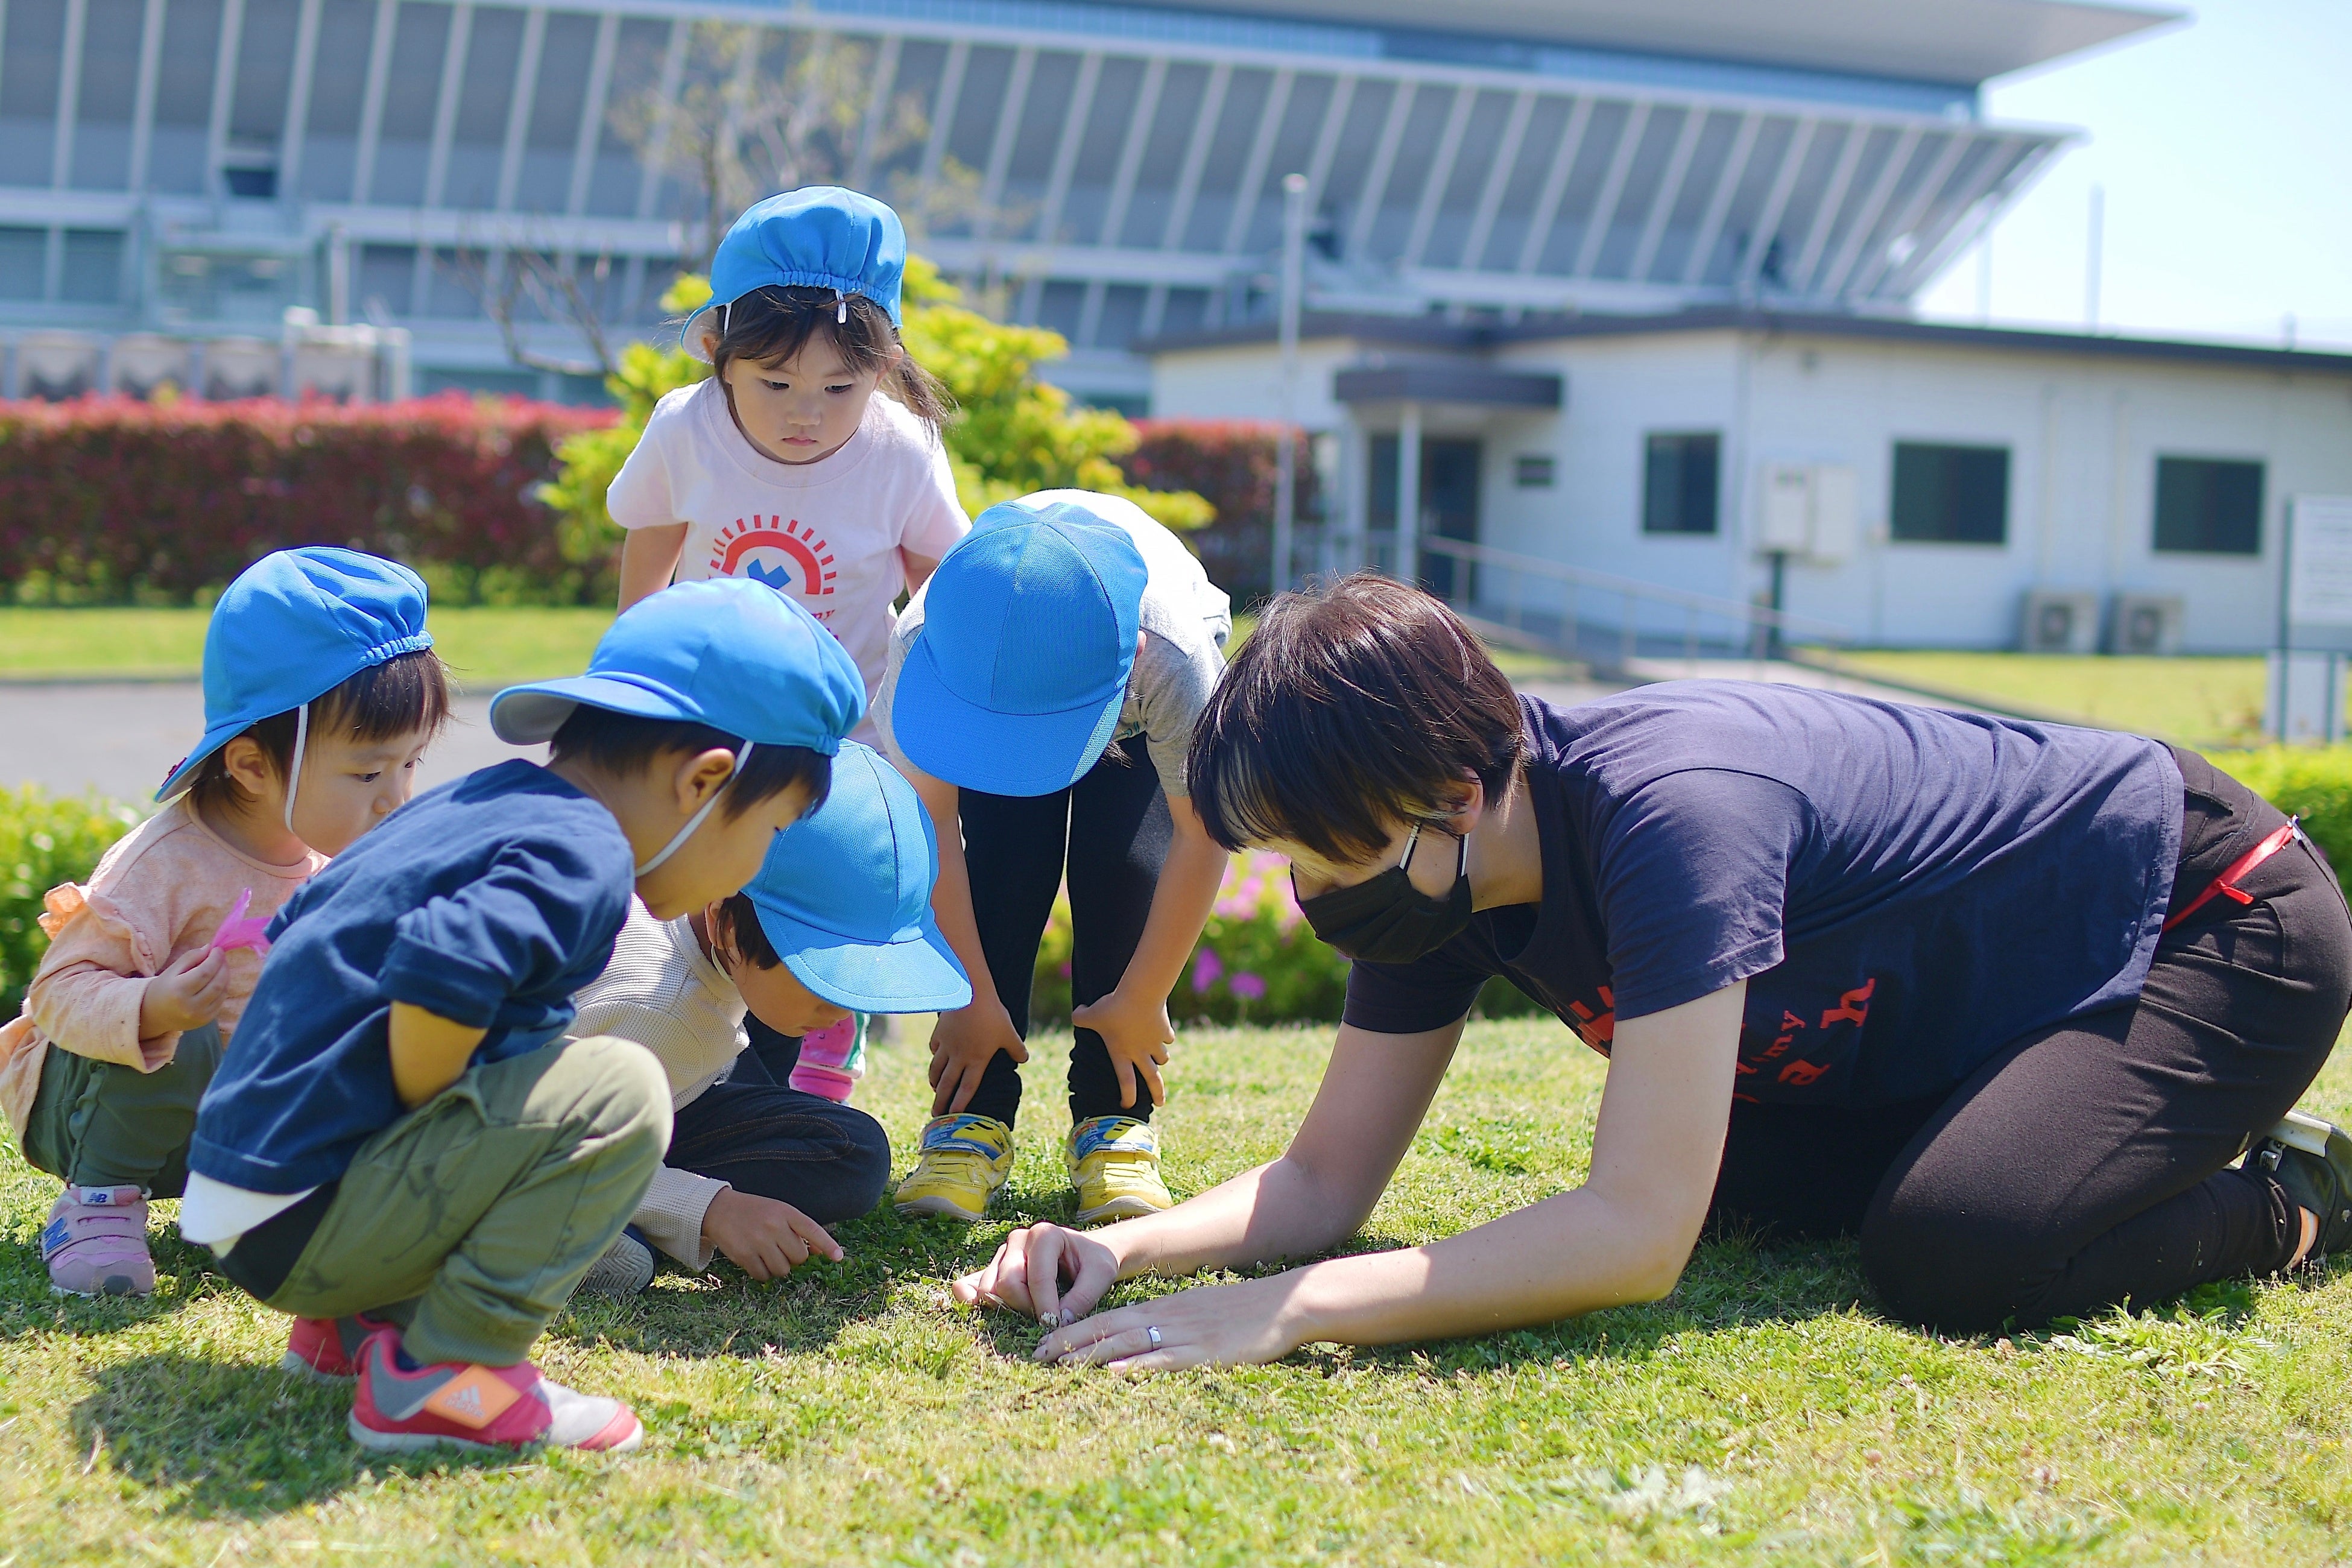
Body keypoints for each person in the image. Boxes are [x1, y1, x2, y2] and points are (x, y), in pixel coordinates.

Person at [954, 575, 2352, 1369]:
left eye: (1335, 855)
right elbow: (1327, 1182)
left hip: (2211, 918)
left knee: (1957, 1248)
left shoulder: (1675, 816)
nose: (1318, 896)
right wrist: (1115, 1251)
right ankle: (2071, 1137)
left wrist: (1283, 1310)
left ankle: (2291, 1198)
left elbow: (1632, 1240)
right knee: (1735, 1178)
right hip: (1988, 1004)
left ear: (1451, 789)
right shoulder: (1445, 864)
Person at [182, 577, 864, 1453]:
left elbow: (312, 940)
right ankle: (447, 1374)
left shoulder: (488, 805)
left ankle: (355, 1333)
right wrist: (448, 1116)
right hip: (307, 1216)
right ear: (703, 782)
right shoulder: (580, 855)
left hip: (254, 1193)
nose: (751, 870)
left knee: (524, 1077)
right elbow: (442, 969)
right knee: (616, 1091)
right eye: (768, 832)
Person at [0, 548, 448, 1298]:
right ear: (249, 765)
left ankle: (261, 1200)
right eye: (369, 773)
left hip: (229, 1127)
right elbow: (56, 994)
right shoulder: (163, 866)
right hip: (89, 1109)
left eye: (411, 764)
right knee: (185, 1034)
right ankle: (97, 1206)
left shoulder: (333, 855)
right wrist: (155, 1006)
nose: (394, 797)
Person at [874, 491, 1231, 1226]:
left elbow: (1203, 834)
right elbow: (936, 831)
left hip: (1132, 711)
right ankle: (969, 1121)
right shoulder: (925, 652)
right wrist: (967, 996)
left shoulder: (1168, 653)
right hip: (988, 690)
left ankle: (1115, 1120)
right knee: (1003, 867)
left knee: (1125, 867)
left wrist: (1141, 999)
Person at [569, 741, 970, 1294]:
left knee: (850, 1150)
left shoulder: (722, 947)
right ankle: (592, 1225)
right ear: (728, 925)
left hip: (675, 1088)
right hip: (564, 1133)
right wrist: (712, 1209)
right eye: (822, 981)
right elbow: (536, 1140)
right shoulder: (650, 1013)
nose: (839, 1014)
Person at [607, 185, 969, 742]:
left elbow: (933, 581)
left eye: (838, 387)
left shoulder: (901, 448)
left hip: (853, 729)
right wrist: (629, 680)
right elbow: (654, 544)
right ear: (717, 355)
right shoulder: (687, 428)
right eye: (776, 383)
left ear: (882, 370)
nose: (806, 414)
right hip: (708, 714)